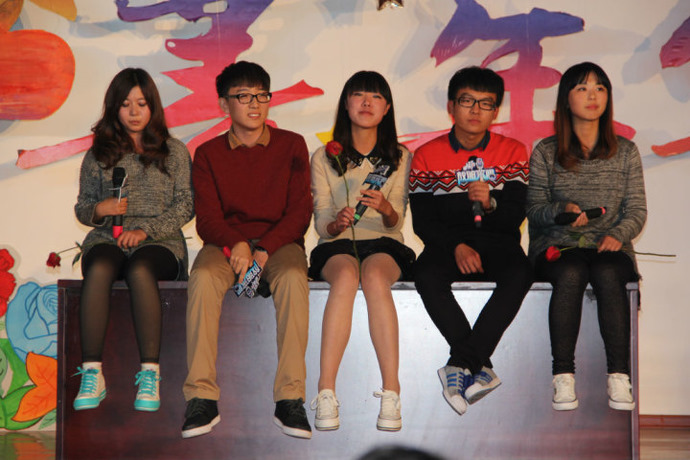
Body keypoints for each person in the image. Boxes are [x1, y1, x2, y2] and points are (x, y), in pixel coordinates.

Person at [181, 61, 313, 439]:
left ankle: (290, 398)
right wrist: (235, 243)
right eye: (243, 96)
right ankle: (201, 397)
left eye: (261, 95)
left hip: (279, 243)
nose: (255, 104)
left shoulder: (292, 144)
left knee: (293, 277)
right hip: (228, 245)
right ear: (224, 105)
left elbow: (299, 212)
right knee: (203, 276)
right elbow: (207, 219)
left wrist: (265, 248)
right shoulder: (208, 153)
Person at [409, 66, 533, 416]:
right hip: (447, 243)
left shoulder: (513, 151)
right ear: (451, 106)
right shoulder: (426, 155)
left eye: (485, 103)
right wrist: (456, 246)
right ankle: (480, 366)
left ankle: (462, 363)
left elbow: (515, 215)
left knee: (521, 272)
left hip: (498, 240)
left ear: (496, 111)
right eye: (467, 101)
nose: (476, 110)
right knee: (425, 275)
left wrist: (491, 203)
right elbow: (423, 222)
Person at [526, 62, 647, 411]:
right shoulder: (546, 151)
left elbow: (636, 210)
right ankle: (563, 375)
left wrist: (618, 235)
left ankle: (619, 376)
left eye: (600, 88)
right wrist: (560, 209)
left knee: (608, 271)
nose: (592, 96)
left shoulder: (626, 151)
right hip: (558, 246)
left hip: (609, 247)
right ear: (566, 99)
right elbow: (534, 209)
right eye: (582, 88)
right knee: (572, 272)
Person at [73, 68, 194, 413]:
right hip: (108, 239)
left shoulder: (174, 151)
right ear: (114, 108)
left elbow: (186, 204)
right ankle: (93, 374)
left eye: (141, 103)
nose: (134, 112)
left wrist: (146, 231)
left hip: (160, 242)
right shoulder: (99, 154)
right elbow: (83, 207)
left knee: (140, 270)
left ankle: (150, 374)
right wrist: (100, 209)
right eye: (126, 104)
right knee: (99, 268)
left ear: (153, 106)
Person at [309, 71, 415, 432]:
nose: (367, 103)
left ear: (387, 108)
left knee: (373, 276)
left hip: (384, 243)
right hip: (338, 243)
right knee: (345, 275)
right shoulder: (324, 156)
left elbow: (396, 221)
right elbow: (321, 219)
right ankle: (326, 391)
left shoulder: (400, 156)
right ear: (346, 104)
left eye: (376, 97)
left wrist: (384, 207)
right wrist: (336, 224)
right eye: (359, 95)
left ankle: (392, 391)